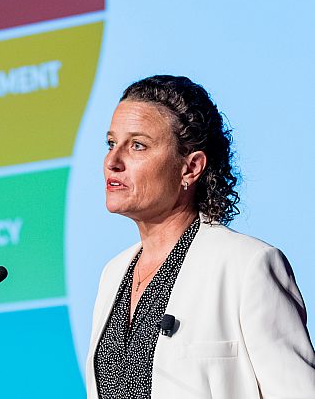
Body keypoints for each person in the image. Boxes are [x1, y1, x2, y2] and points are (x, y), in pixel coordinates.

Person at [86, 75, 315, 398]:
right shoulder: (113, 275)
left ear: (191, 168)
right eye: (111, 144)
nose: (113, 162)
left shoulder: (247, 266)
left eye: (137, 145)